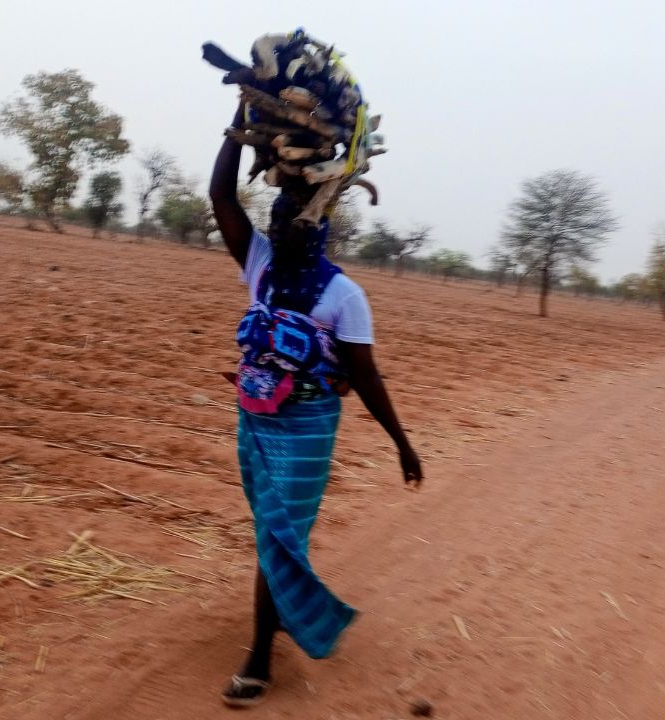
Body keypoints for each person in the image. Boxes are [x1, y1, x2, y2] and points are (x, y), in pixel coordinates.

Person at [209, 102, 422, 708]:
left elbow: (367, 377)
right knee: (268, 528)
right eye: (278, 222)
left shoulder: (344, 296)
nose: (283, 231)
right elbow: (221, 195)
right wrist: (240, 118)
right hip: (255, 416)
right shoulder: (261, 268)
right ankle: (279, 609)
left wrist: (402, 445)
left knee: (281, 535)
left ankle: (258, 659)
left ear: (321, 226)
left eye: (298, 223)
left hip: (307, 426)